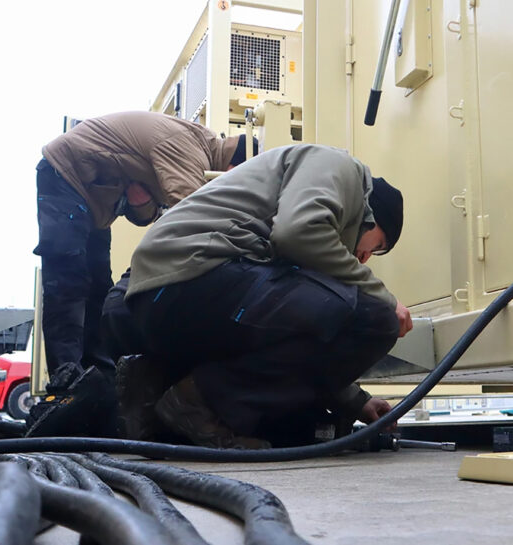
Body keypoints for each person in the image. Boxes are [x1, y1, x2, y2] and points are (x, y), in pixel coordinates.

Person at [110, 142, 412, 448]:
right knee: (376, 319)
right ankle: (199, 407)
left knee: (331, 312)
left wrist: (355, 400)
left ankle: (153, 385)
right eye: (377, 246)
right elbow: (298, 233)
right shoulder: (341, 167)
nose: (365, 258)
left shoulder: (293, 203)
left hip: (161, 297)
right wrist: (385, 298)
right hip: (196, 272)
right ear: (371, 214)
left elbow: (299, 341)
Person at [33, 110, 255, 380]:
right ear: (234, 167)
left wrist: (144, 204)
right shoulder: (185, 146)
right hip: (65, 175)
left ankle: (98, 377)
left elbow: (144, 213)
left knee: (98, 287)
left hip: (94, 202)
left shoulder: (199, 149)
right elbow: (193, 213)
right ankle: (65, 375)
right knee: (68, 279)